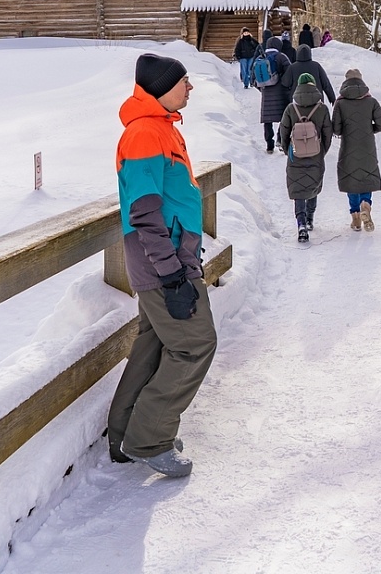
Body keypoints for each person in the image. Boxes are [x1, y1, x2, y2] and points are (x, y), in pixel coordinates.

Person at [107, 54, 216, 478]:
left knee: (153, 345)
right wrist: (171, 274)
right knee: (194, 345)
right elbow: (144, 212)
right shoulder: (145, 134)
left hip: (168, 258)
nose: (190, 87)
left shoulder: (161, 128)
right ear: (162, 86)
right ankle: (149, 440)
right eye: (184, 81)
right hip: (164, 264)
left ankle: (125, 436)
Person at [279, 72, 333, 243]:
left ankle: (301, 223)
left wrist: (288, 149)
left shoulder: (291, 109)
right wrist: (322, 151)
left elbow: (283, 131)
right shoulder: (322, 109)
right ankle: (310, 218)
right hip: (316, 154)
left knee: (298, 189)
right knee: (312, 185)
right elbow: (328, 133)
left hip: (295, 155)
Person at [331, 67, 381, 231]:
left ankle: (355, 218)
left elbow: (336, 129)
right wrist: (369, 130)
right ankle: (365, 204)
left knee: (351, 180)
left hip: (348, 146)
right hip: (367, 146)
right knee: (366, 177)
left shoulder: (340, 103)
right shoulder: (371, 101)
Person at [256, 42, 293, 153]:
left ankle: (269, 145)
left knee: (267, 120)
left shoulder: (260, 58)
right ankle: (280, 139)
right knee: (284, 118)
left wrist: (262, 88)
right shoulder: (281, 57)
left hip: (266, 93)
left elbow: (254, 77)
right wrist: (285, 85)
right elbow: (290, 73)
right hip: (281, 93)